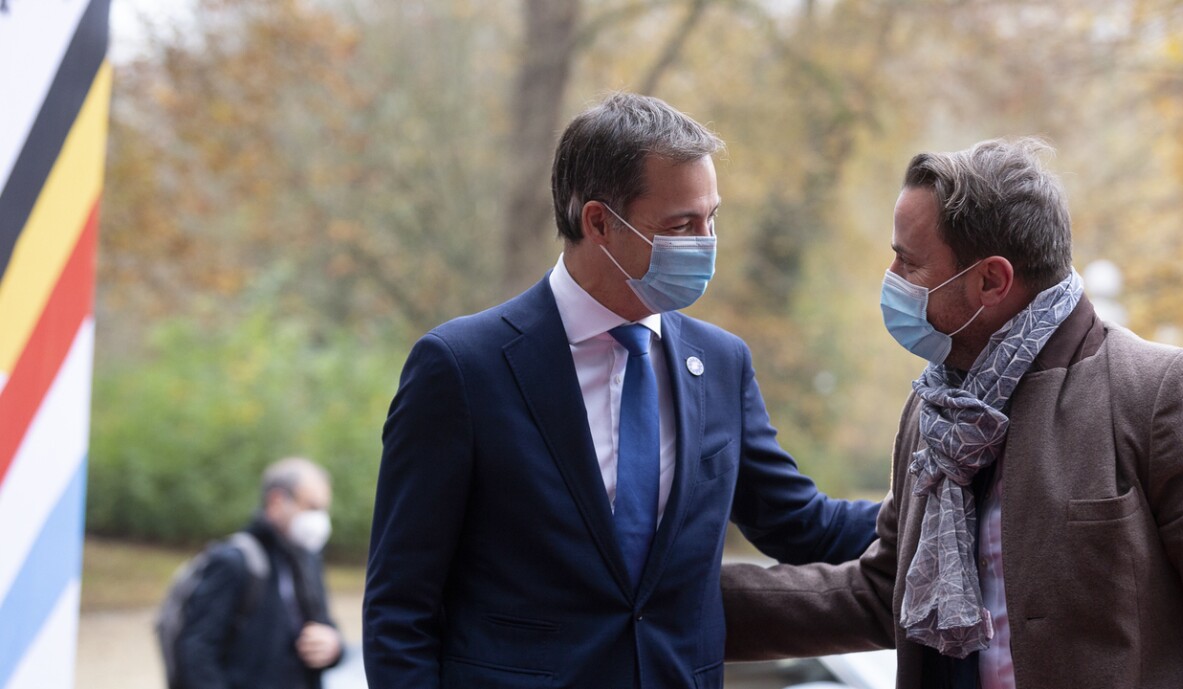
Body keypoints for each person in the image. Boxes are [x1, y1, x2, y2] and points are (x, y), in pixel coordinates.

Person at [362, 91, 880, 689]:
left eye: (712, 218)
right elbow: (400, 606)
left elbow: (802, 525)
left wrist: (952, 509)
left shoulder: (720, 363)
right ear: (599, 222)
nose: (706, 241)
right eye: (682, 224)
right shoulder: (461, 368)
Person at [721, 138, 1183, 688]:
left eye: (908, 263)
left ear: (992, 280)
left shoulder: (1160, 392)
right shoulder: (933, 409)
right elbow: (882, 590)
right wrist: (657, 599)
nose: (890, 278)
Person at [177, 457, 343, 689]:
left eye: (324, 509)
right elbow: (197, 651)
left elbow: (325, 626)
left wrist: (334, 646)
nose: (320, 519)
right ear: (276, 501)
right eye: (312, 507)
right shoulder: (234, 561)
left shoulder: (309, 559)